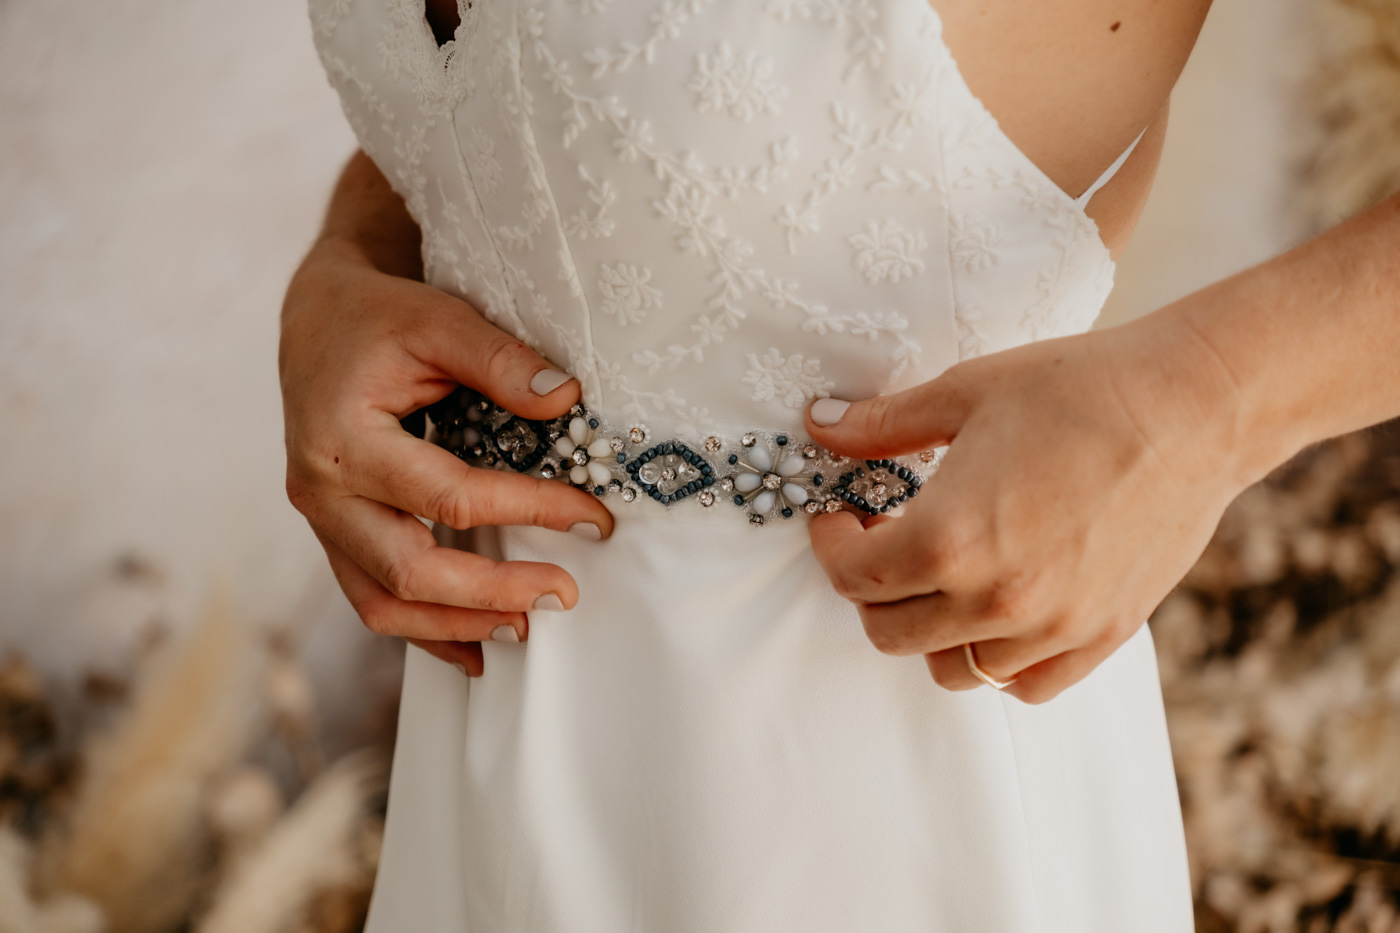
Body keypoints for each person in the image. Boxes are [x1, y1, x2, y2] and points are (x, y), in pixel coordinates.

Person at [282, 0, 1400, 928]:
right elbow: (526, 89)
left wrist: (1205, 398)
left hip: (888, 755)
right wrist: (356, 254)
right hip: (495, 762)